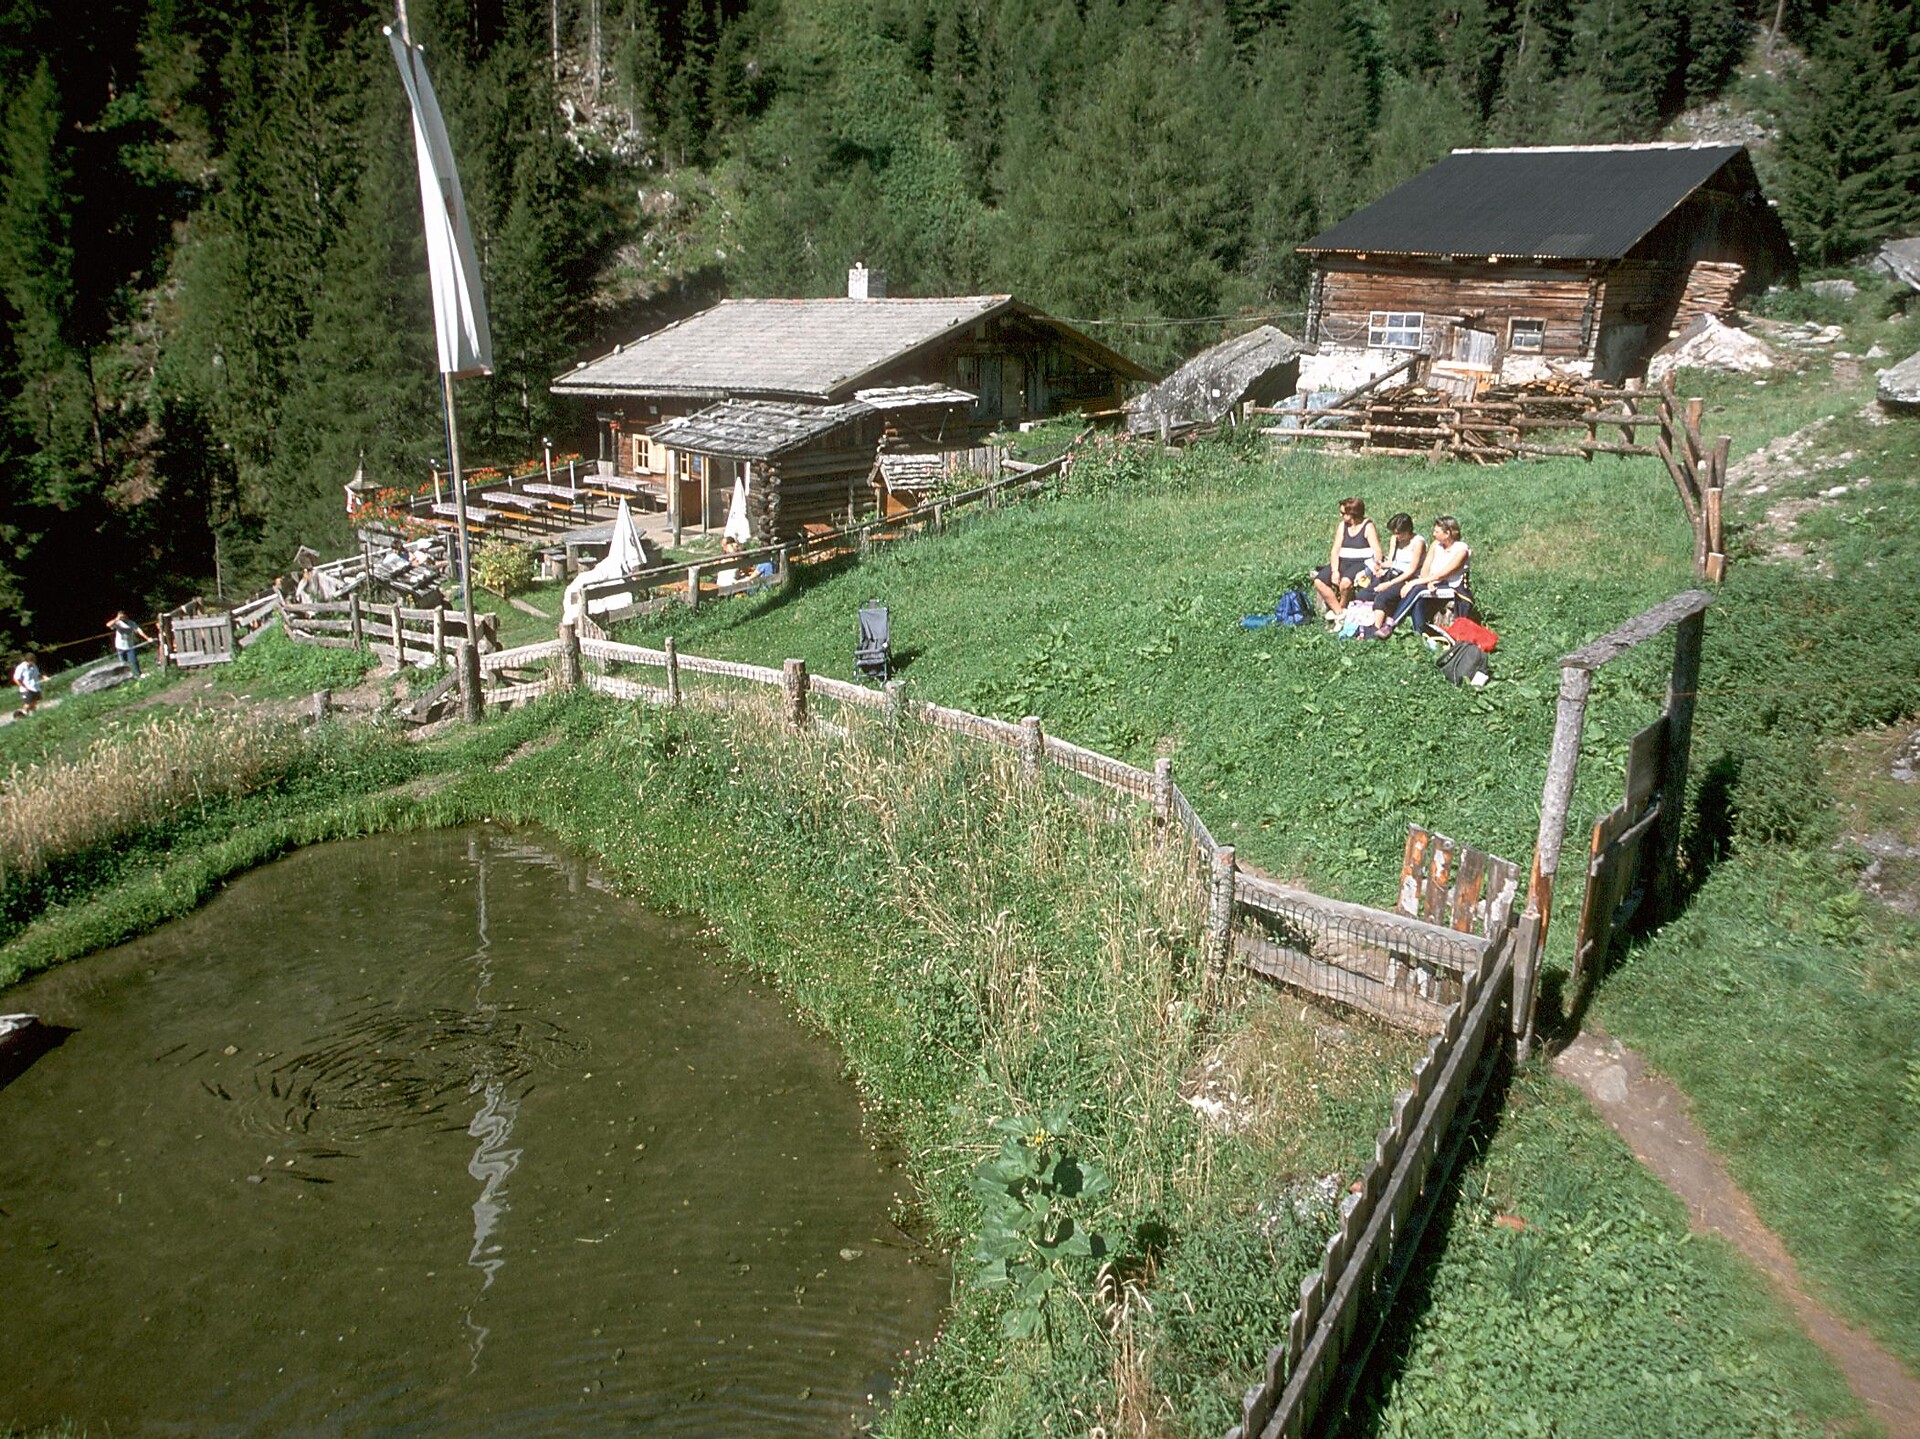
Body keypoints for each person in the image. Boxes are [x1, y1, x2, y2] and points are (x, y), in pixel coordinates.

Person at [1385, 515, 1471, 636]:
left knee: (1417, 589)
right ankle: (1419, 633)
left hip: (1453, 587)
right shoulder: (1436, 545)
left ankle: (1391, 623)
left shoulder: (1461, 551)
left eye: (1437, 531)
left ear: (1447, 533)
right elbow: (1425, 569)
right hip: (1435, 583)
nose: (1433, 534)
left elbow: (1442, 575)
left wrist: (1414, 582)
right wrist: (1427, 582)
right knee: (1418, 597)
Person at [1311, 498, 1381, 617]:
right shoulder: (1342, 526)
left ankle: (1342, 609)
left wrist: (1377, 566)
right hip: (1343, 561)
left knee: (1345, 583)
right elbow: (1335, 550)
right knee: (1319, 581)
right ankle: (1339, 612)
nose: (1341, 515)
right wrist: (1335, 571)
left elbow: (1377, 550)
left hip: (1360, 563)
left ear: (1352, 514)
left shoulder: (1368, 526)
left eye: (1343, 513)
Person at [1356, 513, 1426, 613]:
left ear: (1407, 530)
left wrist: (1389, 584)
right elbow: (1390, 561)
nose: (1396, 536)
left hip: (1406, 577)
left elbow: (1411, 570)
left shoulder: (1418, 543)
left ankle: (1381, 622)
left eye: (1398, 533)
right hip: (1392, 572)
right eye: (1394, 533)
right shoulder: (1395, 539)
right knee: (1363, 594)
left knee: (1381, 597)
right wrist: (1380, 565)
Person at [108, 609, 151, 680]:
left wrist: (147, 638)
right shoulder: (117, 623)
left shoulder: (132, 623)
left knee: (134, 661)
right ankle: (125, 678)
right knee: (123, 664)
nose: (122, 618)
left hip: (130, 646)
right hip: (120, 647)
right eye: (121, 616)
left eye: (123, 616)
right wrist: (116, 619)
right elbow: (108, 625)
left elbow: (139, 631)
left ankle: (138, 675)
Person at [12, 652, 42, 716]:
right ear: (28, 661)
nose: (34, 662)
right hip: (26, 689)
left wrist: (44, 677)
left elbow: (38, 675)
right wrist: (23, 687)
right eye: (32, 661)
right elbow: (16, 679)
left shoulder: (34, 666)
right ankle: (19, 715)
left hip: (35, 688)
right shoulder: (21, 667)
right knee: (28, 704)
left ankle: (33, 716)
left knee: (34, 703)